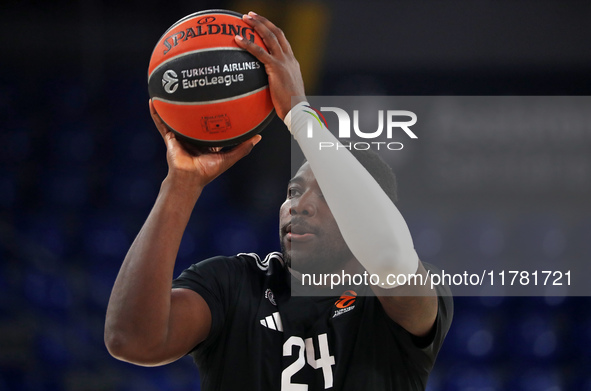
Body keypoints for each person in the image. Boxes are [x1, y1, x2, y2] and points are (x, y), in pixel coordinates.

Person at [105, 12, 452, 391]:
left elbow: (387, 255)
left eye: (328, 195)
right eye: (293, 191)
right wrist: (182, 184)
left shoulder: (403, 298)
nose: (298, 205)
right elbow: (132, 340)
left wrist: (300, 115)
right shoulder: (234, 284)